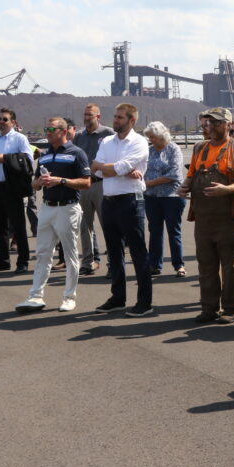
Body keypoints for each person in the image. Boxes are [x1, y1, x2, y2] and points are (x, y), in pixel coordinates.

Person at [179, 107, 234, 324]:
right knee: (206, 264)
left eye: (215, 123)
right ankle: (209, 308)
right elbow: (191, 175)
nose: (210, 127)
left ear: (227, 125)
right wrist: (184, 187)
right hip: (204, 218)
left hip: (230, 217)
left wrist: (227, 189)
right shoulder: (199, 148)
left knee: (233, 264)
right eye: (207, 123)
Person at [15, 117, 92, 313]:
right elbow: (33, 185)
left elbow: (86, 182)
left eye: (51, 129)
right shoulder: (45, 156)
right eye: (46, 128)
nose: (47, 132)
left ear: (63, 131)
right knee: (42, 254)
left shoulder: (77, 153)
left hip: (68, 208)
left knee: (70, 254)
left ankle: (69, 297)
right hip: (47, 208)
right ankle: (35, 296)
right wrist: (39, 182)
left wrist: (61, 180)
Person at [92, 103, 152, 316]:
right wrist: (117, 169)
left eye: (120, 117)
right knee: (114, 252)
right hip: (109, 200)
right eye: (115, 116)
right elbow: (96, 170)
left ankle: (145, 301)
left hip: (131, 201)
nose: (115, 120)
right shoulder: (107, 141)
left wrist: (113, 168)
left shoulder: (140, 143)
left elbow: (117, 168)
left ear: (131, 120)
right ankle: (118, 298)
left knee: (137, 252)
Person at [0, 107, 33, 273]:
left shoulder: (19, 139)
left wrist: (7, 159)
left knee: (18, 226)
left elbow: (28, 161)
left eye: (5, 119)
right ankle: (2, 261)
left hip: (12, 188)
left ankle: (22, 261)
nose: (1, 122)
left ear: (13, 122)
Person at [143, 121, 186, 278]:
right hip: (152, 197)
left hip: (171, 197)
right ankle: (155, 264)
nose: (150, 140)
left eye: (153, 137)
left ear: (161, 136)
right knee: (155, 232)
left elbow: (174, 174)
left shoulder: (173, 149)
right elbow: (142, 169)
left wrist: (150, 183)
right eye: (149, 137)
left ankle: (179, 265)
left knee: (173, 231)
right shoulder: (149, 151)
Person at [75, 104, 113, 275]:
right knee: (84, 225)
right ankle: (89, 261)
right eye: (85, 114)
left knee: (108, 225)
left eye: (90, 114)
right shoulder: (79, 136)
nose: (86, 117)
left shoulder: (108, 134)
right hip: (83, 185)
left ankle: (113, 262)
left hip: (101, 184)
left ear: (98, 116)